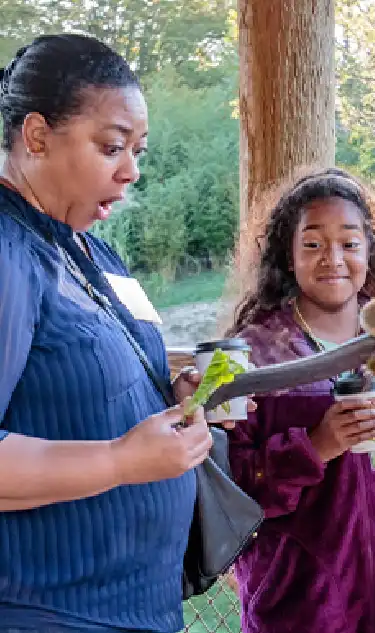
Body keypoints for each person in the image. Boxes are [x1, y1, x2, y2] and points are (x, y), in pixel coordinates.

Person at [0, 34, 218, 632]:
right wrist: (121, 461)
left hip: (134, 608)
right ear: (37, 136)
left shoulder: (91, 252)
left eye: (137, 150)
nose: (132, 171)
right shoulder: (6, 251)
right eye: (112, 146)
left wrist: (176, 399)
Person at [225, 167, 375, 633]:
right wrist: (317, 445)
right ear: (288, 256)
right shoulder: (249, 355)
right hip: (301, 614)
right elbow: (234, 490)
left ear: (371, 252)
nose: (333, 258)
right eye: (313, 244)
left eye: (350, 243)